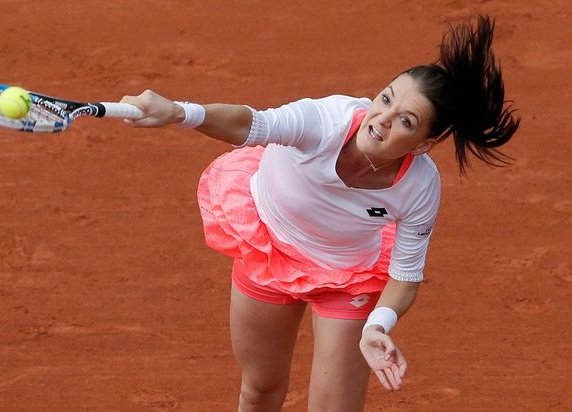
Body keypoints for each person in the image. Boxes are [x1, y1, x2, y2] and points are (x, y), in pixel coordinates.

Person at [120, 15, 519, 412]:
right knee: (260, 391)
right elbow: (252, 124)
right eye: (386, 99)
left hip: (347, 273)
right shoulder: (326, 120)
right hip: (270, 245)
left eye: (406, 121)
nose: (382, 118)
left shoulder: (420, 187)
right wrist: (179, 112)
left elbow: (406, 274)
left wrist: (379, 324)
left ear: (421, 145)